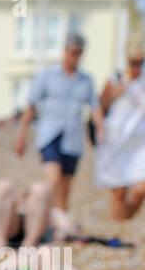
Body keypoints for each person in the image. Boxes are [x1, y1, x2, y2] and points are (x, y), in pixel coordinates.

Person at [15, 32, 104, 213]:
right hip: (50, 134)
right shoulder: (47, 76)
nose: (75, 57)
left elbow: (94, 107)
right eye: (73, 52)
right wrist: (21, 136)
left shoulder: (86, 81)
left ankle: (59, 223)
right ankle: (36, 210)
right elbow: (30, 106)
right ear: (65, 51)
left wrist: (101, 129)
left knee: (66, 185)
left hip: (73, 137)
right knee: (52, 179)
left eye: (79, 53)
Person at [94, 39, 145, 221]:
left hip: (143, 144)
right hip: (116, 142)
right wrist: (118, 91)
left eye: (141, 63)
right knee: (119, 192)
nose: (137, 67)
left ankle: (123, 221)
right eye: (133, 63)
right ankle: (119, 230)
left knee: (141, 189)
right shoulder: (116, 77)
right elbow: (99, 105)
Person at [0, 178, 78, 248]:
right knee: (3, 187)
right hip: (11, 230)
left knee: (40, 189)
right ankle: (3, 242)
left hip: (35, 233)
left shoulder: (52, 213)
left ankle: (29, 242)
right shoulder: (12, 209)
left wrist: (59, 232)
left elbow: (69, 230)